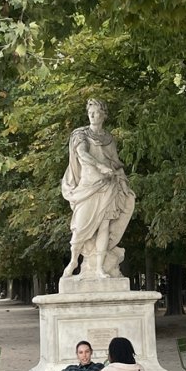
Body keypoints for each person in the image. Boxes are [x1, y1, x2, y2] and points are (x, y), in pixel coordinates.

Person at [61, 98, 136, 279]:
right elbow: (82, 155)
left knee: (104, 226)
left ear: (104, 115)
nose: (93, 116)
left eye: (96, 113)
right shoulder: (80, 134)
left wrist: (123, 182)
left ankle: (100, 268)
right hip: (87, 187)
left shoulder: (108, 139)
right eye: (90, 113)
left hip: (107, 186)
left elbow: (116, 164)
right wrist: (100, 167)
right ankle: (73, 262)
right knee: (80, 227)